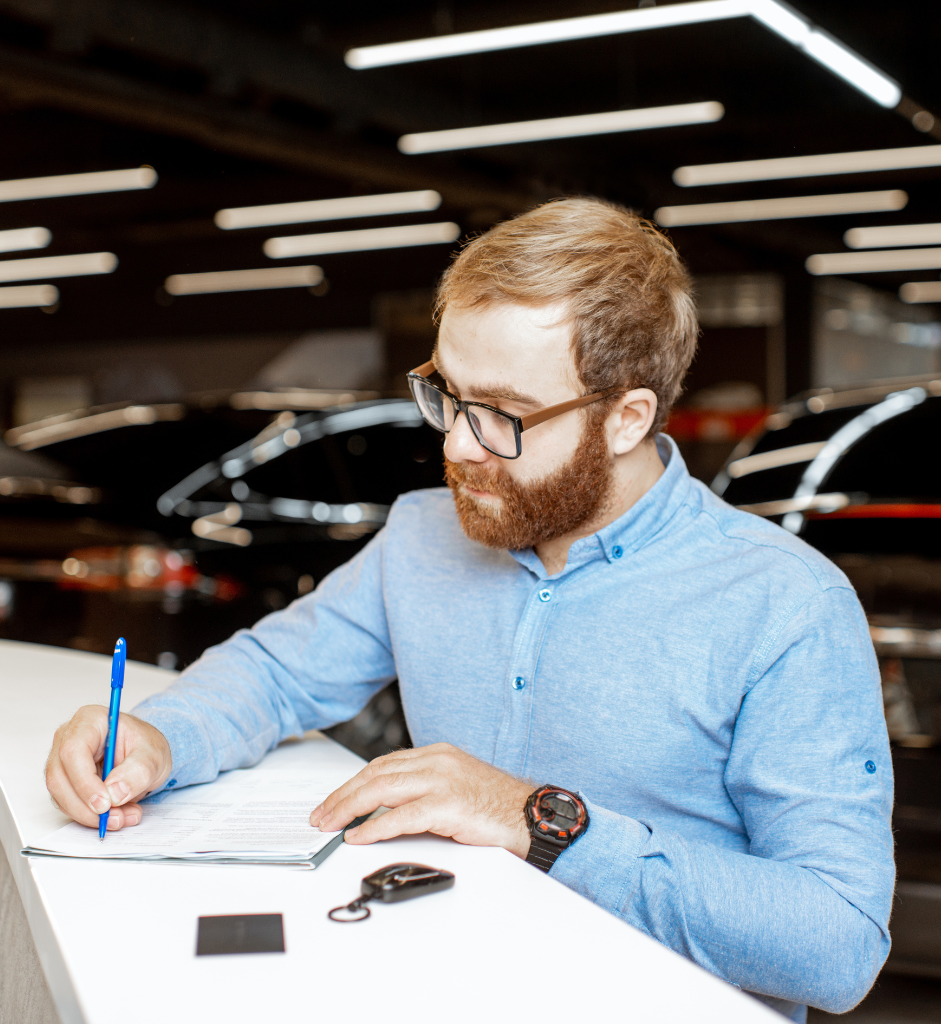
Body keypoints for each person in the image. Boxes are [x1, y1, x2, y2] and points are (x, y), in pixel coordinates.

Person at [46, 198, 894, 1021]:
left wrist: (538, 822)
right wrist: (163, 736)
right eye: (448, 395)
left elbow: (835, 945)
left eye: (502, 415)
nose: (456, 445)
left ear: (628, 418)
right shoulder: (422, 534)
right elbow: (274, 675)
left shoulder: (784, 603)